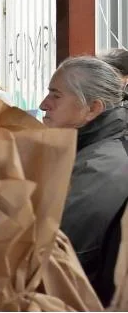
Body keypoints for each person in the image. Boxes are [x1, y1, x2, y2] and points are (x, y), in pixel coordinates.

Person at [39, 56, 128, 306]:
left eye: (55, 95)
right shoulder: (86, 148)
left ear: (93, 109)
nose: (43, 104)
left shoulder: (99, 168)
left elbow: (51, 250)